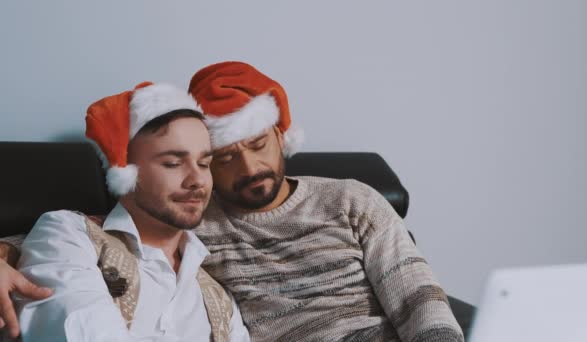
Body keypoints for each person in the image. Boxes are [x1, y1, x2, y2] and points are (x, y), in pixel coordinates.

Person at [1, 61, 463, 341]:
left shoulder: (349, 199)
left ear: (281, 137)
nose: (246, 169)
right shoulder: (188, 225)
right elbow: (78, 244)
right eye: (221, 157)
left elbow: (419, 296)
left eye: (258, 144)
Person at [2, 82, 250, 341]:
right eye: (173, 163)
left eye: (204, 163)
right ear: (125, 170)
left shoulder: (218, 299)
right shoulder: (69, 234)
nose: (197, 179)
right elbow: (81, 331)